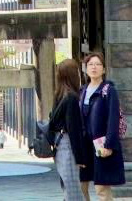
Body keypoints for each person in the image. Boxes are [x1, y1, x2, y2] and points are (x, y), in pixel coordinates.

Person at [46, 57, 93, 201]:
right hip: (68, 146)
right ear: (73, 75)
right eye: (77, 72)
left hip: (60, 146)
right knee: (73, 192)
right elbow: (74, 130)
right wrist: (80, 157)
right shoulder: (72, 98)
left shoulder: (59, 95)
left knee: (67, 189)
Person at [81, 51, 125, 197]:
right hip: (84, 145)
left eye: (98, 64)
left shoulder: (108, 91)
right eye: (91, 64)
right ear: (86, 68)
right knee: (82, 185)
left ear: (104, 69)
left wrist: (109, 144)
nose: (94, 67)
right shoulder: (82, 91)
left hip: (100, 144)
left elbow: (113, 119)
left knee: (102, 188)